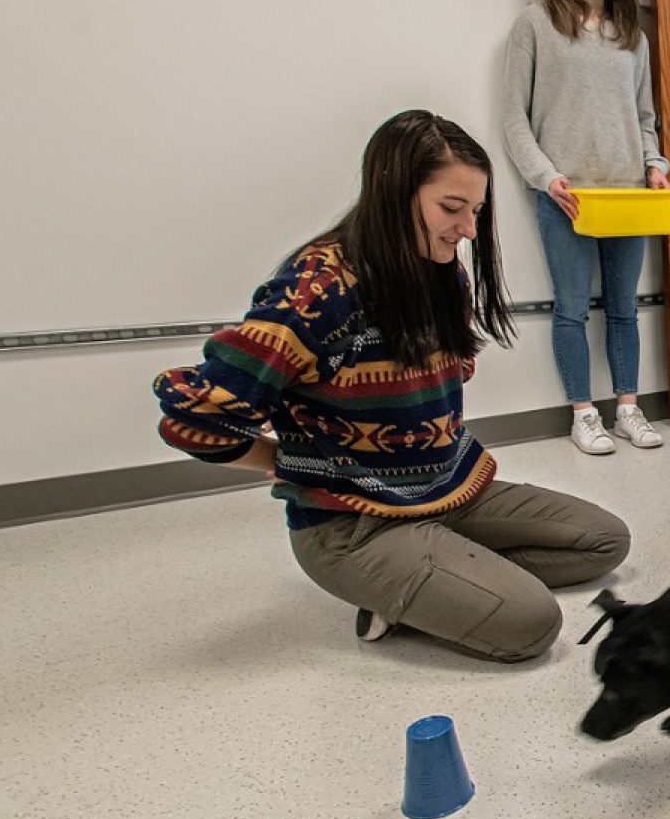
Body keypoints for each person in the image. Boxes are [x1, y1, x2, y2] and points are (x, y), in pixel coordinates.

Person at [154, 111, 631, 662]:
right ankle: (407, 591)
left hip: (444, 494)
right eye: (451, 209)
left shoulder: (440, 270)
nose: (469, 230)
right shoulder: (318, 289)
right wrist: (282, 458)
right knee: (532, 625)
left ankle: (442, 579)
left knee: (606, 541)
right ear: (393, 194)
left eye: (474, 212)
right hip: (355, 526)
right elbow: (190, 417)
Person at [502, 0, 670, 456]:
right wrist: (547, 178)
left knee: (625, 307)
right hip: (567, 197)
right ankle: (583, 413)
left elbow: (645, 118)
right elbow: (514, 120)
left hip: (627, 196)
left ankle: (627, 407)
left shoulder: (632, 36)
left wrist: (656, 166)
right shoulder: (534, 25)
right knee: (570, 308)